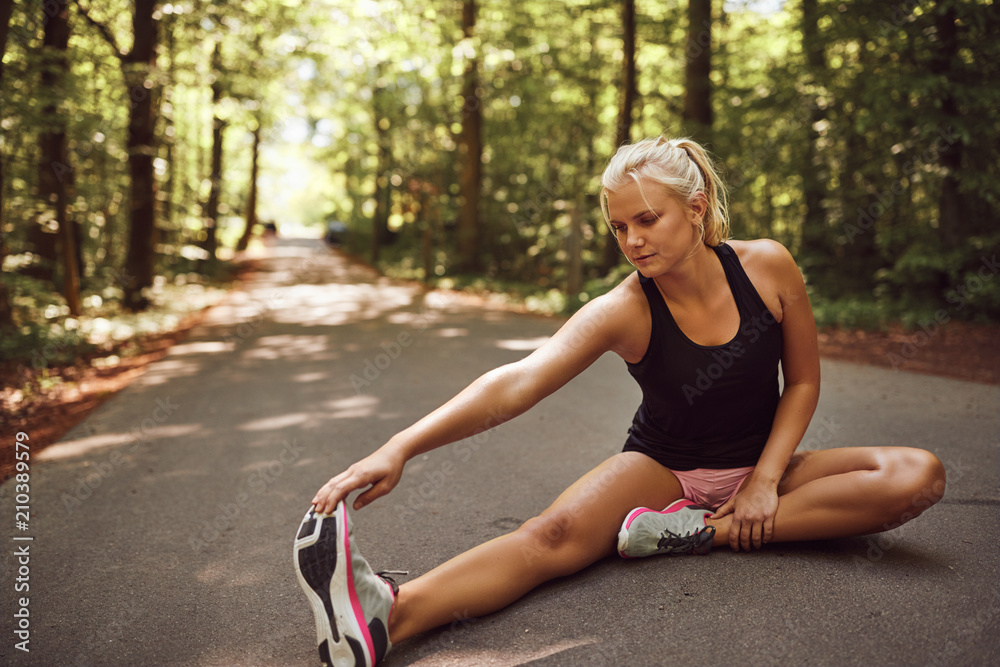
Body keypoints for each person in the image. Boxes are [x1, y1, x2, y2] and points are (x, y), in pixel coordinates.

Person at [293, 136, 947, 667]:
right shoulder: (625, 308)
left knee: (917, 474)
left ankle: (699, 534)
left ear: (696, 206)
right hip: (663, 469)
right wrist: (398, 445)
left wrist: (765, 481)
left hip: (764, 461)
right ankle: (385, 614)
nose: (632, 239)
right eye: (618, 226)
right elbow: (517, 380)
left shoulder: (769, 268)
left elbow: (802, 381)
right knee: (548, 536)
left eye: (647, 218)